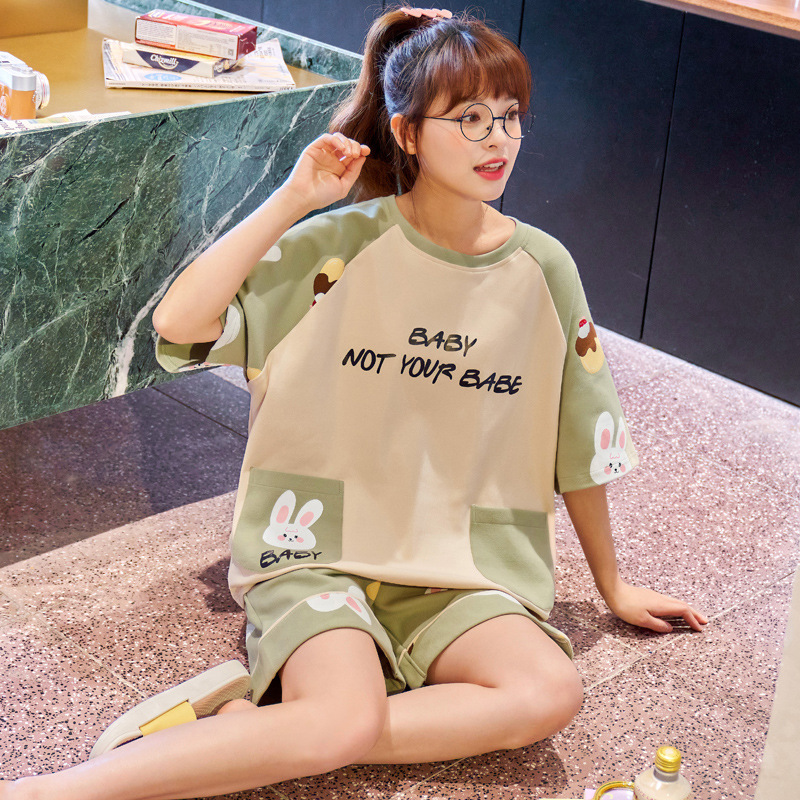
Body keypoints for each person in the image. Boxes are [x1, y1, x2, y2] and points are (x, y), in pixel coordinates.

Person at [1, 6, 707, 800]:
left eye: (510, 117)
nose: (499, 140)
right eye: (470, 119)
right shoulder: (340, 247)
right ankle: (48, 792)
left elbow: (580, 443)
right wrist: (292, 200)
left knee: (548, 693)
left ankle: (263, 731)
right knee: (338, 717)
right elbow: (179, 324)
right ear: (407, 133)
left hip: (466, 566)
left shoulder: (544, 269)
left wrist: (614, 587)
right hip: (321, 552)